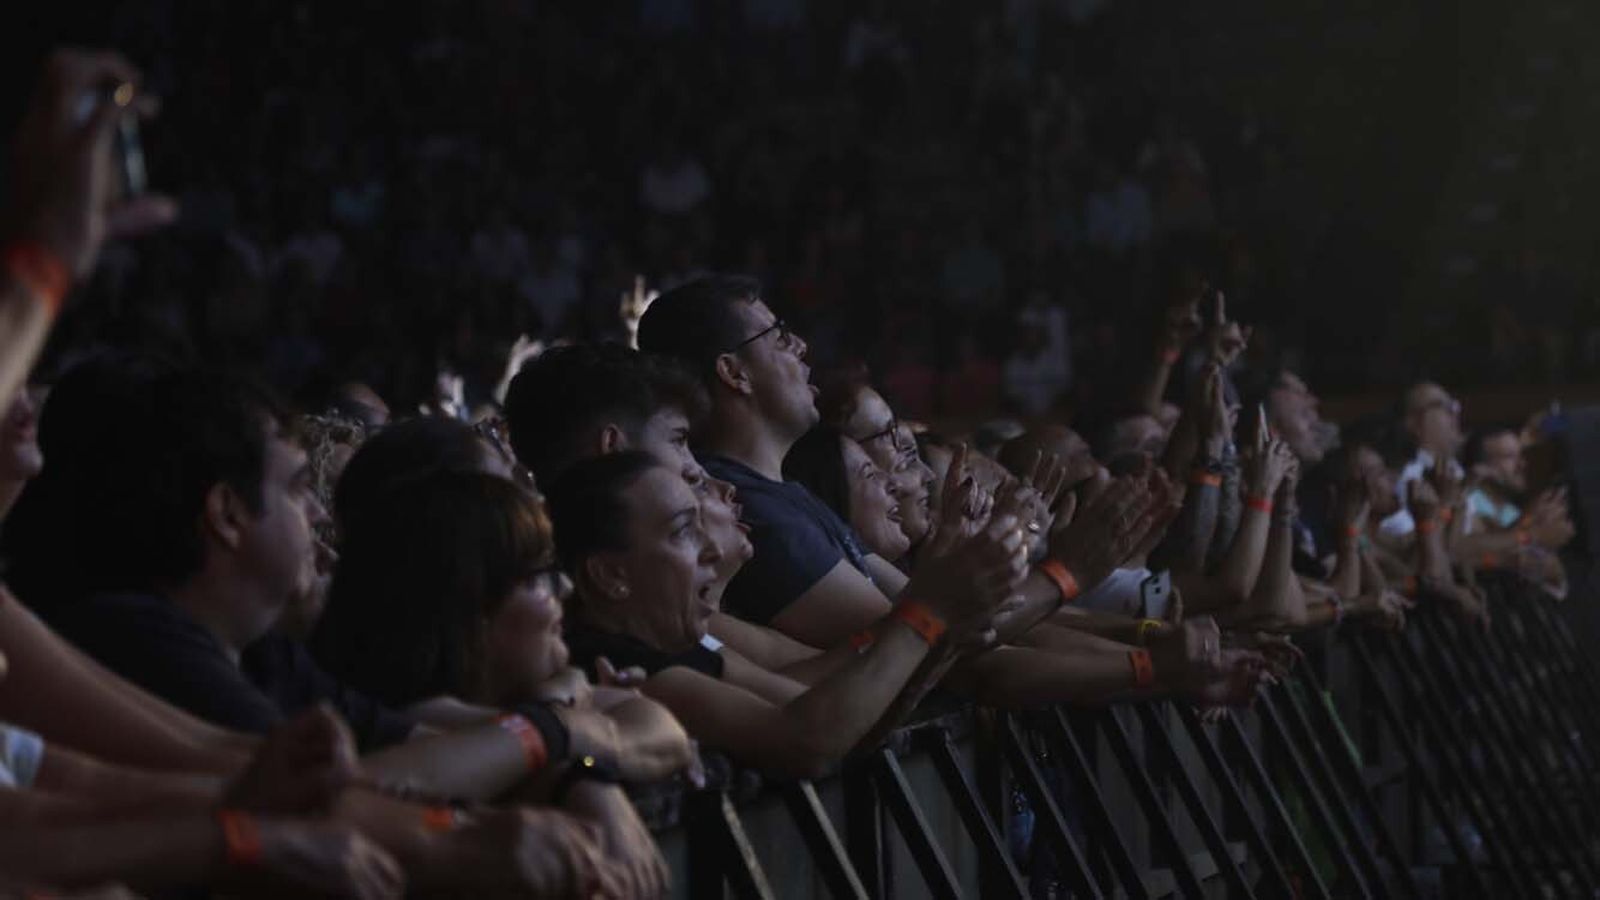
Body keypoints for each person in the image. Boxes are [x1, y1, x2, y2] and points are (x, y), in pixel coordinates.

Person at [545, 451, 1023, 777]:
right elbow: (805, 737)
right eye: (683, 532)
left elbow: (843, 715)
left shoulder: (682, 647)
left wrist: (943, 633)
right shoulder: (619, 664)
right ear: (609, 574)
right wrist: (928, 615)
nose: (710, 550)